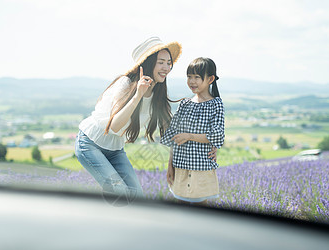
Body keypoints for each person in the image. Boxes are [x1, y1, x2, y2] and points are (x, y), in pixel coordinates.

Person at [75, 37, 183, 202]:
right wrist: (138, 95)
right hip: (90, 144)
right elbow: (114, 127)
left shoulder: (157, 95)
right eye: (161, 62)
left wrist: (204, 144)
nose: (166, 68)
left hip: (115, 149)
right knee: (119, 192)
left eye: (169, 63)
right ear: (148, 62)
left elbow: (173, 132)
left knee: (137, 197)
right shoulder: (125, 84)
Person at [161, 57, 225, 206]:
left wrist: (189, 136)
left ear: (210, 79)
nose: (192, 81)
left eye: (197, 77)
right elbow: (173, 136)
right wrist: (170, 165)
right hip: (180, 166)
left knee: (200, 208)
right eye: (189, 77)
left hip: (201, 168)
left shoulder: (216, 104)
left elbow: (217, 135)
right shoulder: (184, 104)